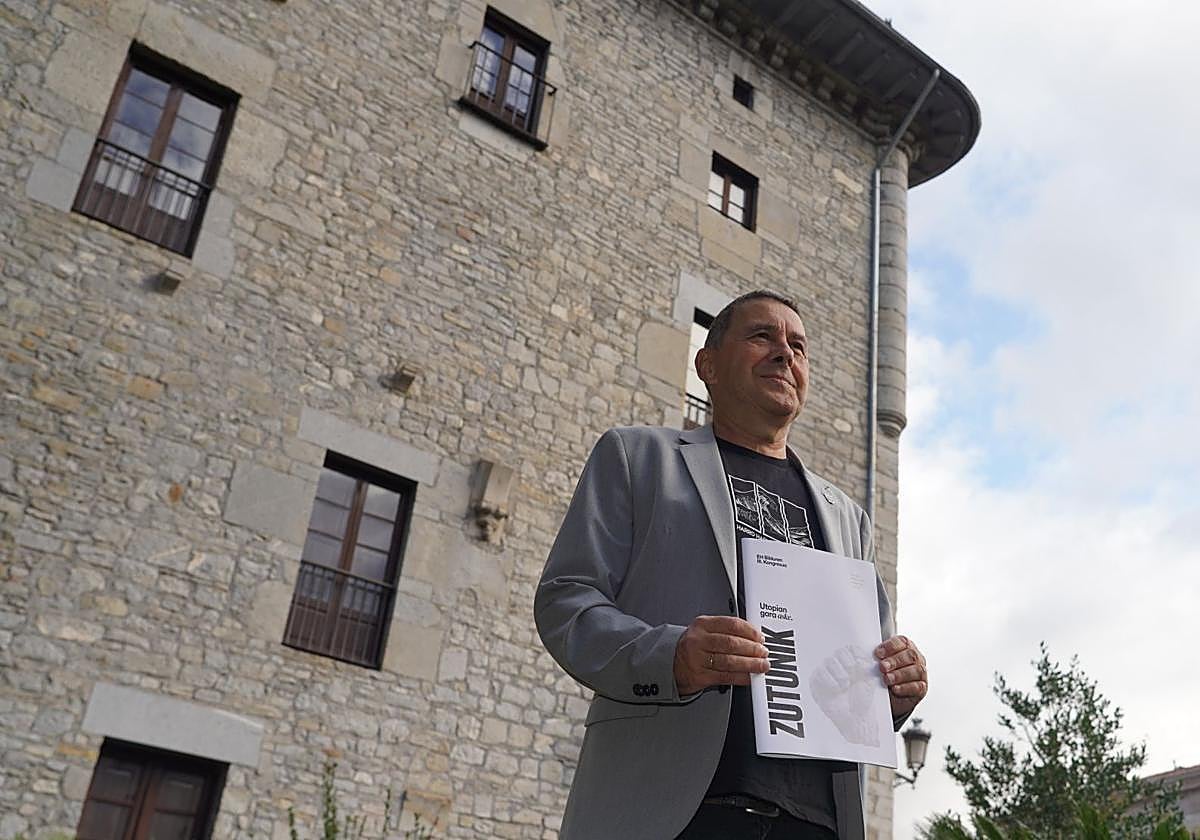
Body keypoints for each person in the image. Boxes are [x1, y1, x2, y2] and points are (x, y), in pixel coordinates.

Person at [535, 291, 928, 840]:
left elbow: (861, 673)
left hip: (816, 821)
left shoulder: (848, 518)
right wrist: (672, 656)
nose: (784, 354)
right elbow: (566, 602)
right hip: (675, 813)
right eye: (762, 336)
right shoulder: (637, 457)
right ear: (707, 364)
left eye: (798, 346)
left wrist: (895, 689)